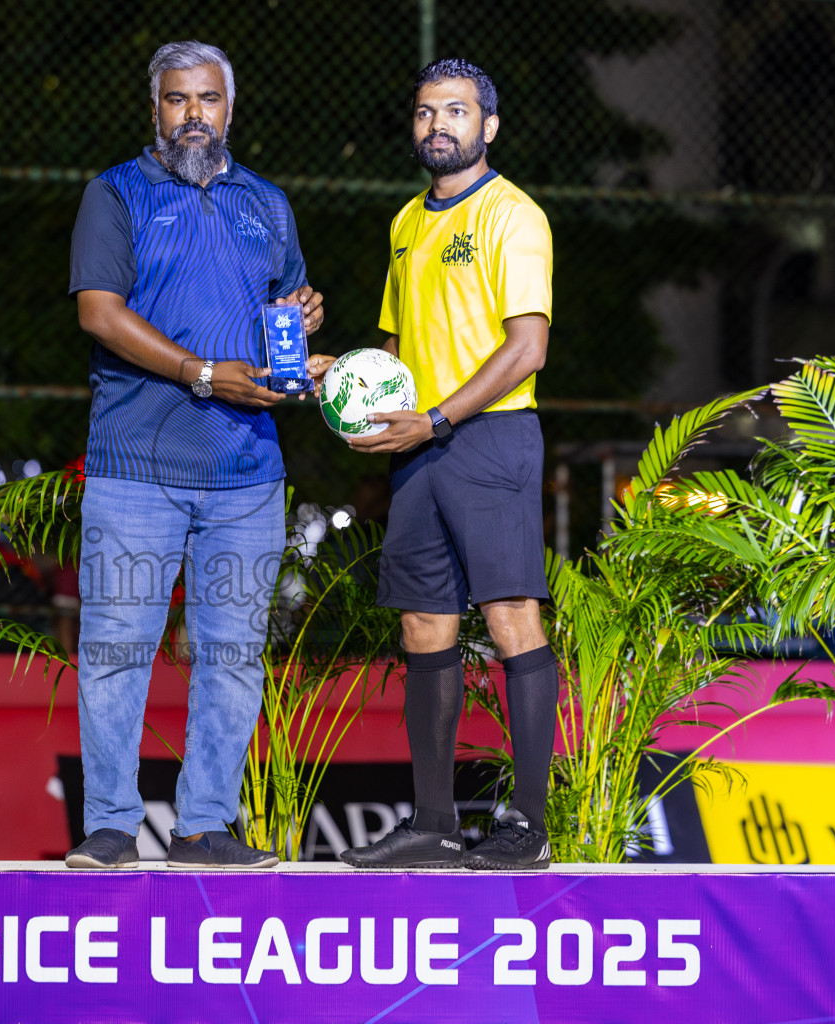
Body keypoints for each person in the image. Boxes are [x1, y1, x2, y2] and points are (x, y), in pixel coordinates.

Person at [63, 40, 325, 869]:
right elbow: (99, 315)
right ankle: (110, 823)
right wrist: (203, 373)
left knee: (233, 658)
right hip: (135, 467)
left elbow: (280, 309)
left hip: (248, 474)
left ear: (230, 109)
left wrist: (301, 334)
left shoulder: (268, 205)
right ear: (155, 109)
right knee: (115, 652)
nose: (193, 115)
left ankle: (205, 825)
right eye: (177, 100)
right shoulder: (116, 195)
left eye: (207, 99)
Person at [313, 58, 559, 871]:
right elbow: (397, 350)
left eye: (456, 112)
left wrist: (438, 417)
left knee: (510, 619)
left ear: (488, 126)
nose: (437, 126)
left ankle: (527, 823)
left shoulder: (513, 216)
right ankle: (433, 824)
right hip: (419, 443)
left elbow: (527, 349)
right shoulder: (407, 223)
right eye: (425, 113)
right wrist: (345, 381)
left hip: (488, 437)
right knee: (424, 625)